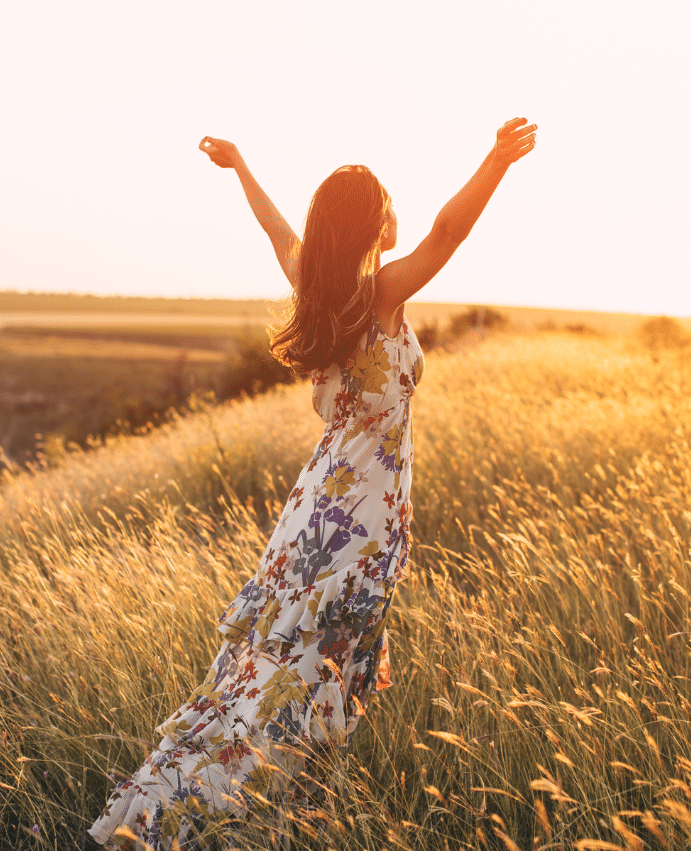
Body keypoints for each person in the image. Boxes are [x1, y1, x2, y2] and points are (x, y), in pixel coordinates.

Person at [89, 118, 537, 850]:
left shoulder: (317, 287)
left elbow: (274, 230)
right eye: (388, 206)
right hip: (360, 520)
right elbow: (449, 234)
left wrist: (241, 168)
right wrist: (495, 161)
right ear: (373, 225)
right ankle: (241, 816)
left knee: (274, 664)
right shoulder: (380, 295)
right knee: (316, 669)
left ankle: (224, 802)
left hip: (314, 511)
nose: (398, 217)